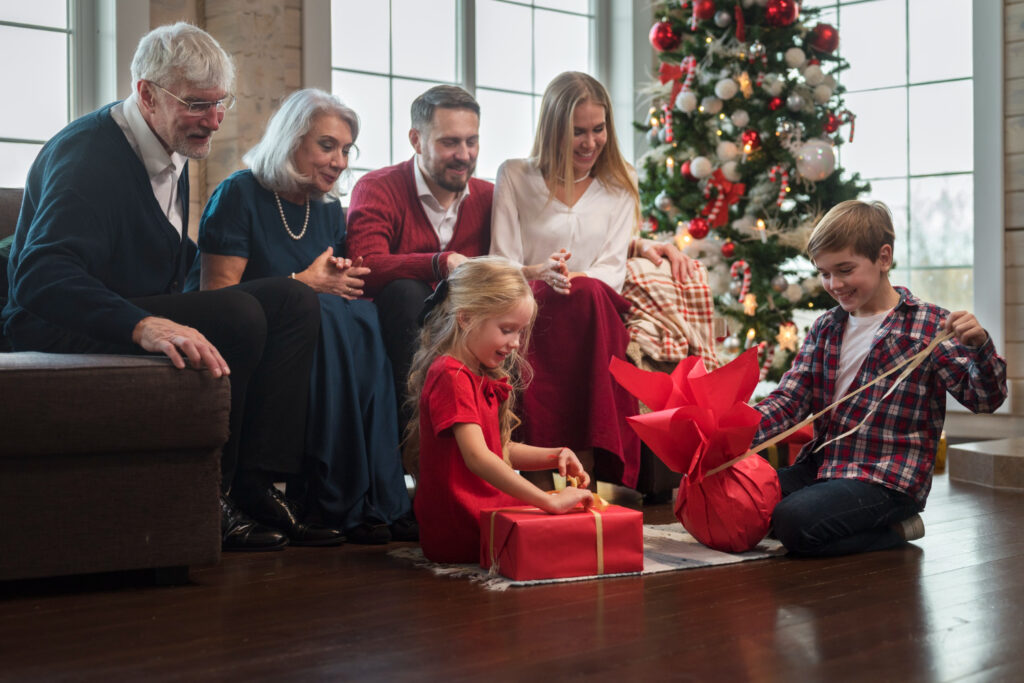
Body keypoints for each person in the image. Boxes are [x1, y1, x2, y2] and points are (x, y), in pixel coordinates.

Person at [1, 23, 343, 551]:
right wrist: (142, 325)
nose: (214, 120)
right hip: (56, 322)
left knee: (292, 301)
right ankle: (214, 494)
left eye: (220, 102)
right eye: (197, 104)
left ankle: (259, 483)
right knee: (240, 316)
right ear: (146, 93)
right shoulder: (89, 157)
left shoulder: (171, 143)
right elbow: (39, 277)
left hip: (124, 305)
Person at [187, 88, 417, 544]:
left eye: (347, 149)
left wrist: (338, 279)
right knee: (330, 315)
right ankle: (330, 496)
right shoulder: (239, 193)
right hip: (251, 333)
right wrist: (303, 282)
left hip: (315, 330)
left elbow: (334, 285)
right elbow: (216, 299)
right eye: (327, 146)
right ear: (292, 141)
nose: (340, 161)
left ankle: (368, 497)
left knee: (361, 319)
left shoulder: (329, 210)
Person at [490, 71, 707, 489]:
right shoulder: (516, 176)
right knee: (543, 303)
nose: (590, 143)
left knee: (588, 292)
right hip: (529, 301)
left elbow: (610, 269)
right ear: (553, 131)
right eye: (577, 132)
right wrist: (543, 274)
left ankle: (598, 468)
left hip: (594, 305)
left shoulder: (618, 187)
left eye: (598, 129)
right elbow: (502, 263)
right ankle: (546, 466)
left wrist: (572, 277)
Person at [754, 200, 1007, 556]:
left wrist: (980, 347)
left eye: (845, 270)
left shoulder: (928, 326)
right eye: (824, 273)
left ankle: (898, 529)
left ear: (883, 258)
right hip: (824, 466)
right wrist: (732, 437)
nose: (834, 284)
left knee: (792, 521)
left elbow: (986, 399)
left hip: (886, 479)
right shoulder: (827, 327)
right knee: (744, 501)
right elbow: (790, 400)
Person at [405, 256, 594, 563]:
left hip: (486, 512)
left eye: (520, 332)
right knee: (575, 542)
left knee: (579, 530)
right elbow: (479, 458)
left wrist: (555, 453)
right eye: (507, 329)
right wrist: (547, 501)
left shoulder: (472, 372)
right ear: (466, 318)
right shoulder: (450, 374)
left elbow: (497, 448)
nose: (516, 343)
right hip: (463, 524)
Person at [345, 85, 492, 427]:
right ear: (416, 139)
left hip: (467, 325)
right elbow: (363, 264)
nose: (464, 154)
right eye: (449, 142)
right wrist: (439, 262)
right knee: (406, 291)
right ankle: (418, 437)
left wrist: (635, 246)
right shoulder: (378, 187)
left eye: (472, 141)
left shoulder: (489, 197)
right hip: (399, 325)